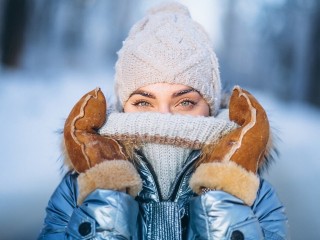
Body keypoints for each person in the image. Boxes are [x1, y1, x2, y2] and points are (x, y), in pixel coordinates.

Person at [38, 2, 289, 240]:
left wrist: (224, 196)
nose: (164, 118)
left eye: (185, 102)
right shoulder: (79, 190)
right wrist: (106, 195)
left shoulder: (254, 196)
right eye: (144, 103)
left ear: (210, 107)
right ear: (123, 106)